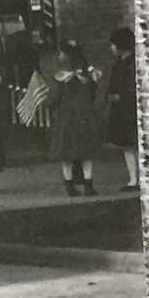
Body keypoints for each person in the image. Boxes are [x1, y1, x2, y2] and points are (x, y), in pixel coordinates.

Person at [47, 40, 106, 197]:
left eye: (60, 53)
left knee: (66, 154)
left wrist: (49, 103)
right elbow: (94, 93)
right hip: (85, 115)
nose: (59, 56)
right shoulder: (89, 73)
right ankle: (88, 184)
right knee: (86, 151)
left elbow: (55, 97)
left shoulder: (63, 75)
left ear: (65, 55)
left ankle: (69, 185)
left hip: (67, 116)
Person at [106, 26, 139, 194]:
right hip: (124, 109)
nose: (111, 48)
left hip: (126, 108)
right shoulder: (125, 64)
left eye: (113, 45)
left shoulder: (125, 65)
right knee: (129, 144)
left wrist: (119, 97)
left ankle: (134, 179)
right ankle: (134, 178)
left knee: (129, 145)